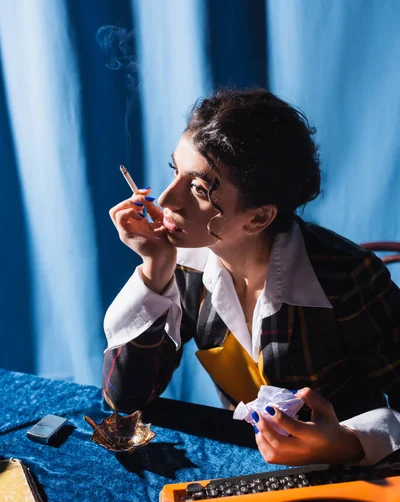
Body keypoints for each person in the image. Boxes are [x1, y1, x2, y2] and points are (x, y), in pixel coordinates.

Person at [102, 88, 400, 467]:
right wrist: (154, 269)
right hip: (249, 466)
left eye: (197, 188)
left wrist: (351, 444)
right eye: (175, 171)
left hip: (352, 479)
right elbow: (126, 400)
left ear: (258, 217)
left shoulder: (346, 277)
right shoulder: (185, 268)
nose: (166, 200)